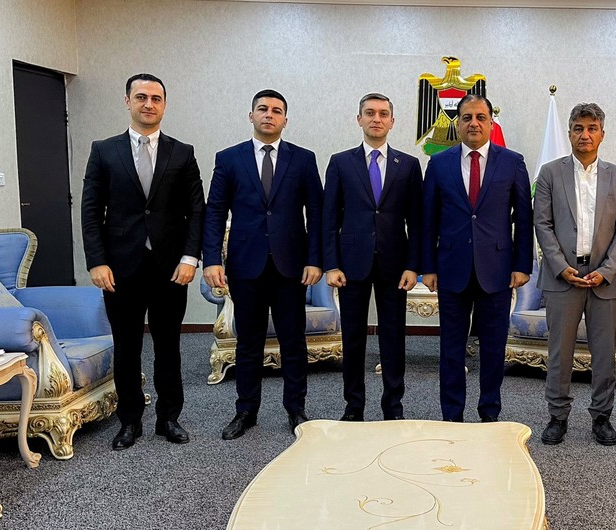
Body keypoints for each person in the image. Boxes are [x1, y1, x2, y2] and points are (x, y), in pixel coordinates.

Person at [81, 73, 205, 450]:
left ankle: (168, 418)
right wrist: (97, 261)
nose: (148, 104)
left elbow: (196, 210)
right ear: (128, 101)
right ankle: (129, 420)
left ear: (164, 105)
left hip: (171, 268)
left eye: (156, 98)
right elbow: (91, 210)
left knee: (168, 346)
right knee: (127, 346)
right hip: (120, 268)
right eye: (141, 97)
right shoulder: (104, 150)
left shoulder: (182, 152)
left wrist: (190, 257)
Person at [202, 89, 323, 439]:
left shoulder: (303, 159)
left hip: (290, 266)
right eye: (263, 109)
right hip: (245, 265)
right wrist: (212, 259)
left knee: (293, 341)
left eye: (276, 110)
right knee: (249, 342)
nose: (269, 114)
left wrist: (315, 260)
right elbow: (215, 212)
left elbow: (316, 213)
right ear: (251, 115)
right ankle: (246, 411)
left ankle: (296, 409)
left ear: (285, 119)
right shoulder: (229, 158)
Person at [421, 94, 533, 422]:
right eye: (467, 117)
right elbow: (428, 220)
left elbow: (523, 218)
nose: (473, 123)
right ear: (457, 124)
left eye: (480, 117)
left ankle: (489, 414)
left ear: (490, 122)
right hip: (451, 270)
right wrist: (428, 267)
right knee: (451, 349)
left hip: (497, 271)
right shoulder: (439, 163)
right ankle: (452, 416)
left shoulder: (512, 162)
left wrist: (522, 265)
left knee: (493, 348)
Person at [533, 103, 616, 446]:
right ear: (569, 133)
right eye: (578, 128)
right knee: (559, 352)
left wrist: (606, 271)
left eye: (592, 128)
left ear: (602, 134)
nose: (585, 134)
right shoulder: (550, 173)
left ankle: (602, 417)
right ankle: (557, 416)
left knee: (604, 354)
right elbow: (542, 224)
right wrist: (561, 267)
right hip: (563, 276)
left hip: (604, 279)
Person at [322, 93, 423, 422]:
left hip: (395, 265)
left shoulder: (409, 165)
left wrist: (413, 266)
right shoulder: (340, 162)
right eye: (369, 113)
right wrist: (331, 264)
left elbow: (417, 221)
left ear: (392, 121)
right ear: (359, 119)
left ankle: (393, 407)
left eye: (382, 114)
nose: (376, 119)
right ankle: (354, 407)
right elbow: (329, 218)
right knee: (352, 338)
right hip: (350, 265)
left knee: (393, 338)